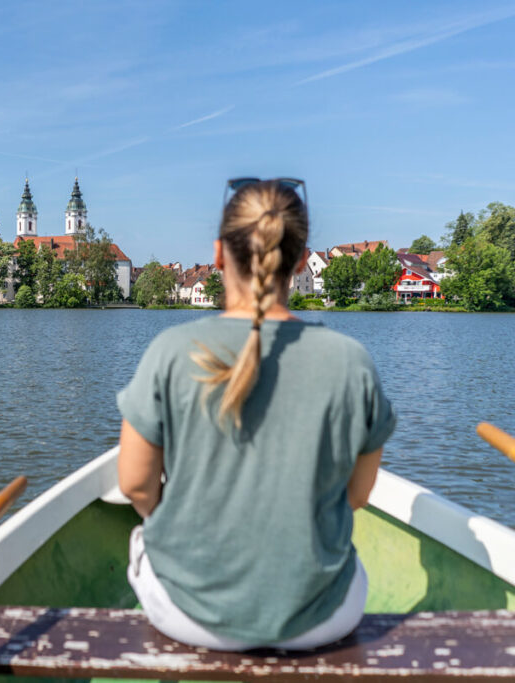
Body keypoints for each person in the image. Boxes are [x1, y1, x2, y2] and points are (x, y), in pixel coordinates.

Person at [116, 178, 395, 651]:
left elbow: (136, 485)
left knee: (143, 543)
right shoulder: (351, 360)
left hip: (188, 614)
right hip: (319, 617)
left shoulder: (170, 351)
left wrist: (175, 524)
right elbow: (358, 494)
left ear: (219, 254)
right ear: (302, 258)